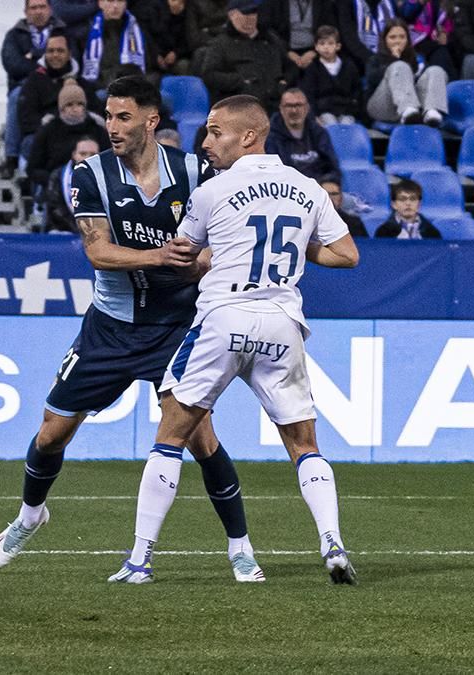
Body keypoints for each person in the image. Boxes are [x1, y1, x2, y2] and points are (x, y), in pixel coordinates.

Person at [0, 76, 261, 584]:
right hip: (109, 328)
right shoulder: (89, 174)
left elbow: (217, 246)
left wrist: (198, 264)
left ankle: (241, 550)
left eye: (123, 117)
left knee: (201, 439)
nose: (111, 126)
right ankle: (29, 516)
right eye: (108, 116)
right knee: (51, 435)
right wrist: (163, 256)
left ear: (151, 120)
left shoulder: (195, 171)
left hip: (177, 329)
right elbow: (97, 251)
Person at [153, 94, 360, 584]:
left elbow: (186, 260)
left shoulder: (214, 190)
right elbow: (347, 254)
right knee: (304, 443)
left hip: (226, 315)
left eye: (215, 132)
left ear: (249, 135)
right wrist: (293, 250)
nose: (206, 142)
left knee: (171, 431)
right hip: (283, 320)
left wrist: (210, 258)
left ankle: (139, 559)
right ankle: (332, 543)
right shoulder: (307, 188)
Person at [2, 0, 68, 163]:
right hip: (25, 84)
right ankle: (11, 156)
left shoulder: (63, 32)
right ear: (26, 12)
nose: (38, 11)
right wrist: (45, 63)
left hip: (58, 82)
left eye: (42, 7)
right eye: (34, 7)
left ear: (50, 9)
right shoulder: (14, 35)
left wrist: (35, 54)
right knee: (17, 96)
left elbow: (70, 60)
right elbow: (13, 65)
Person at [197, 0, 286, 110]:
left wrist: (284, 83)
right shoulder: (220, 44)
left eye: (253, 12)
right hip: (237, 106)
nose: (250, 18)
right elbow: (209, 75)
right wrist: (241, 81)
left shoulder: (270, 39)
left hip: (274, 103)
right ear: (231, 15)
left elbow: (289, 65)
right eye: (245, 13)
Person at [364, 19, 447, 126]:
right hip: (382, 106)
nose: (397, 41)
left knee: (436, 70)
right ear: (384, 40)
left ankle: (431, 112)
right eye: (392, 37)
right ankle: (408, 110)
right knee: (400, 66)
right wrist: (393, 60)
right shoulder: (374, 59)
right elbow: (372, 79)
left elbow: (424, 84)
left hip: (416, 107)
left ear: (408, 40)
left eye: (402, 37)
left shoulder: (417, 58)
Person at [17, 35, 83, 159]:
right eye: (51, 51)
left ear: (69, 54)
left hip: (77, 134)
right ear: (45, 54)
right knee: (29, 143)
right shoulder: (34, 80)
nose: (55, 55)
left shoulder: (80, 81)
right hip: (45, 133)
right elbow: (26, 119)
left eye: (60, 51)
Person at [265, 87, 339, 183]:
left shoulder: (319, 133)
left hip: (319, 188)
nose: (294, 111)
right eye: (289, 106)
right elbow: (273, 173)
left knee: (351, 198)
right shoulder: (271, 137)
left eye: (298, 105)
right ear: (281, 109)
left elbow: (333, 168)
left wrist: (323, 185)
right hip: (289, 190)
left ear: (307, 108)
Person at [77, 0, 150, 90]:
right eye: (110, 1)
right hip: (101, 89)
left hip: (135, 87)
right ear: (100, 3)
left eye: (120, 1)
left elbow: (148, 65)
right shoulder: (87, 34)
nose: (115, 6)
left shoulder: (138, 32)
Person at [299, 26, 362, 126]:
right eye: (322, 43)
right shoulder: (313, 68)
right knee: (330, 124)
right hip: (324, 112)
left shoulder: (348, 66)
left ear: (338, 46)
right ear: (316, 46)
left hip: (346, 111)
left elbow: (356, 90)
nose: (326, 47)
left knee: (347, 125)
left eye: (330, 43)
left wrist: (353, 107)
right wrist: (314, 116)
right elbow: (309, 95)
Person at [42, 135, 101, 232]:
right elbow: (55, 208)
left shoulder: (109, 177)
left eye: (93, 154)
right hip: (63, 229)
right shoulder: (58, 175)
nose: (87, 158)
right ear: (74, 155)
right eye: (83, 154)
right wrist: (77, 228)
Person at [337, 0, 396, 73]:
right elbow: (349, 37)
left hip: (391, 61)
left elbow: (399, 28)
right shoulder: (346, 3)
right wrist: (373, 60)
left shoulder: (389, 2)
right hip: (359, 66)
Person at [374, 179, 442, 239]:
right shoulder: (383, 232)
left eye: (413, 199)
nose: (408, 203)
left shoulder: (432, 233)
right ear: (394, 205)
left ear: (419, 204)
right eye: (402, 199)